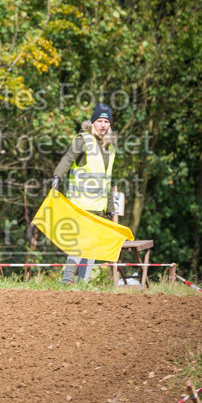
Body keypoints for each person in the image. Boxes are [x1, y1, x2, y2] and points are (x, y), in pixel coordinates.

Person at [50, 103, 117, 283]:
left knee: (91, 246)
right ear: (93, 122)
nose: (103, 125)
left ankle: (82, 285)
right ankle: (67, 281)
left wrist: (110, 208)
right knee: (81, 243)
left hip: (98, 206)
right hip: (81, 203)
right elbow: (68, 158)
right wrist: (57, 176)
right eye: (99, 121)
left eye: (106, 122)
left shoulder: (110, 149)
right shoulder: (83, 139)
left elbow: (107, 181)